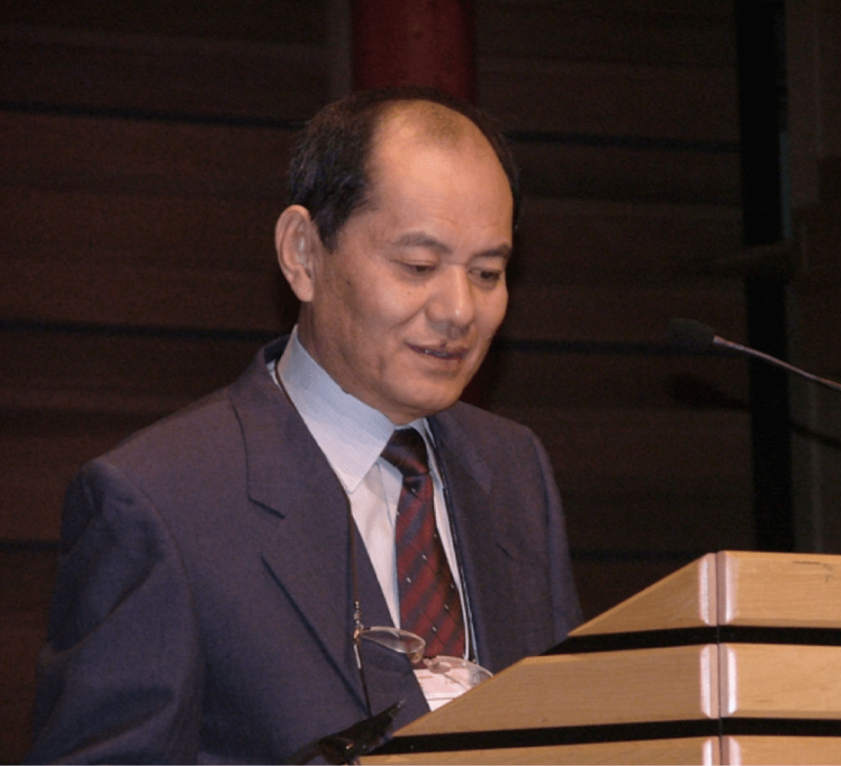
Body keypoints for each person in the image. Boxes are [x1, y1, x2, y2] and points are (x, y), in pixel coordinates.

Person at [26, 88, 582, 764]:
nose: (459, 310)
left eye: (489, 272)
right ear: (303, 254)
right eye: (418, 267)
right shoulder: (161, 502)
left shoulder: (513, 467)